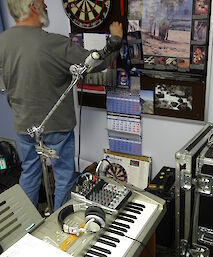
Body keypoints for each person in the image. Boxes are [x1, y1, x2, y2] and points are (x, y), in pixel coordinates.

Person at [0, 0, 123, 212]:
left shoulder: (3, 41)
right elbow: (95, 62)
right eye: (41, 2)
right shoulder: (53, 44)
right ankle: (58, 228)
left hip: (23, 125)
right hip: (56, 126)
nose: (46, 5)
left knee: (29, 172)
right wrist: (116, 39)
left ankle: (26, 229)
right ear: (32, 6)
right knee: (64, 176)